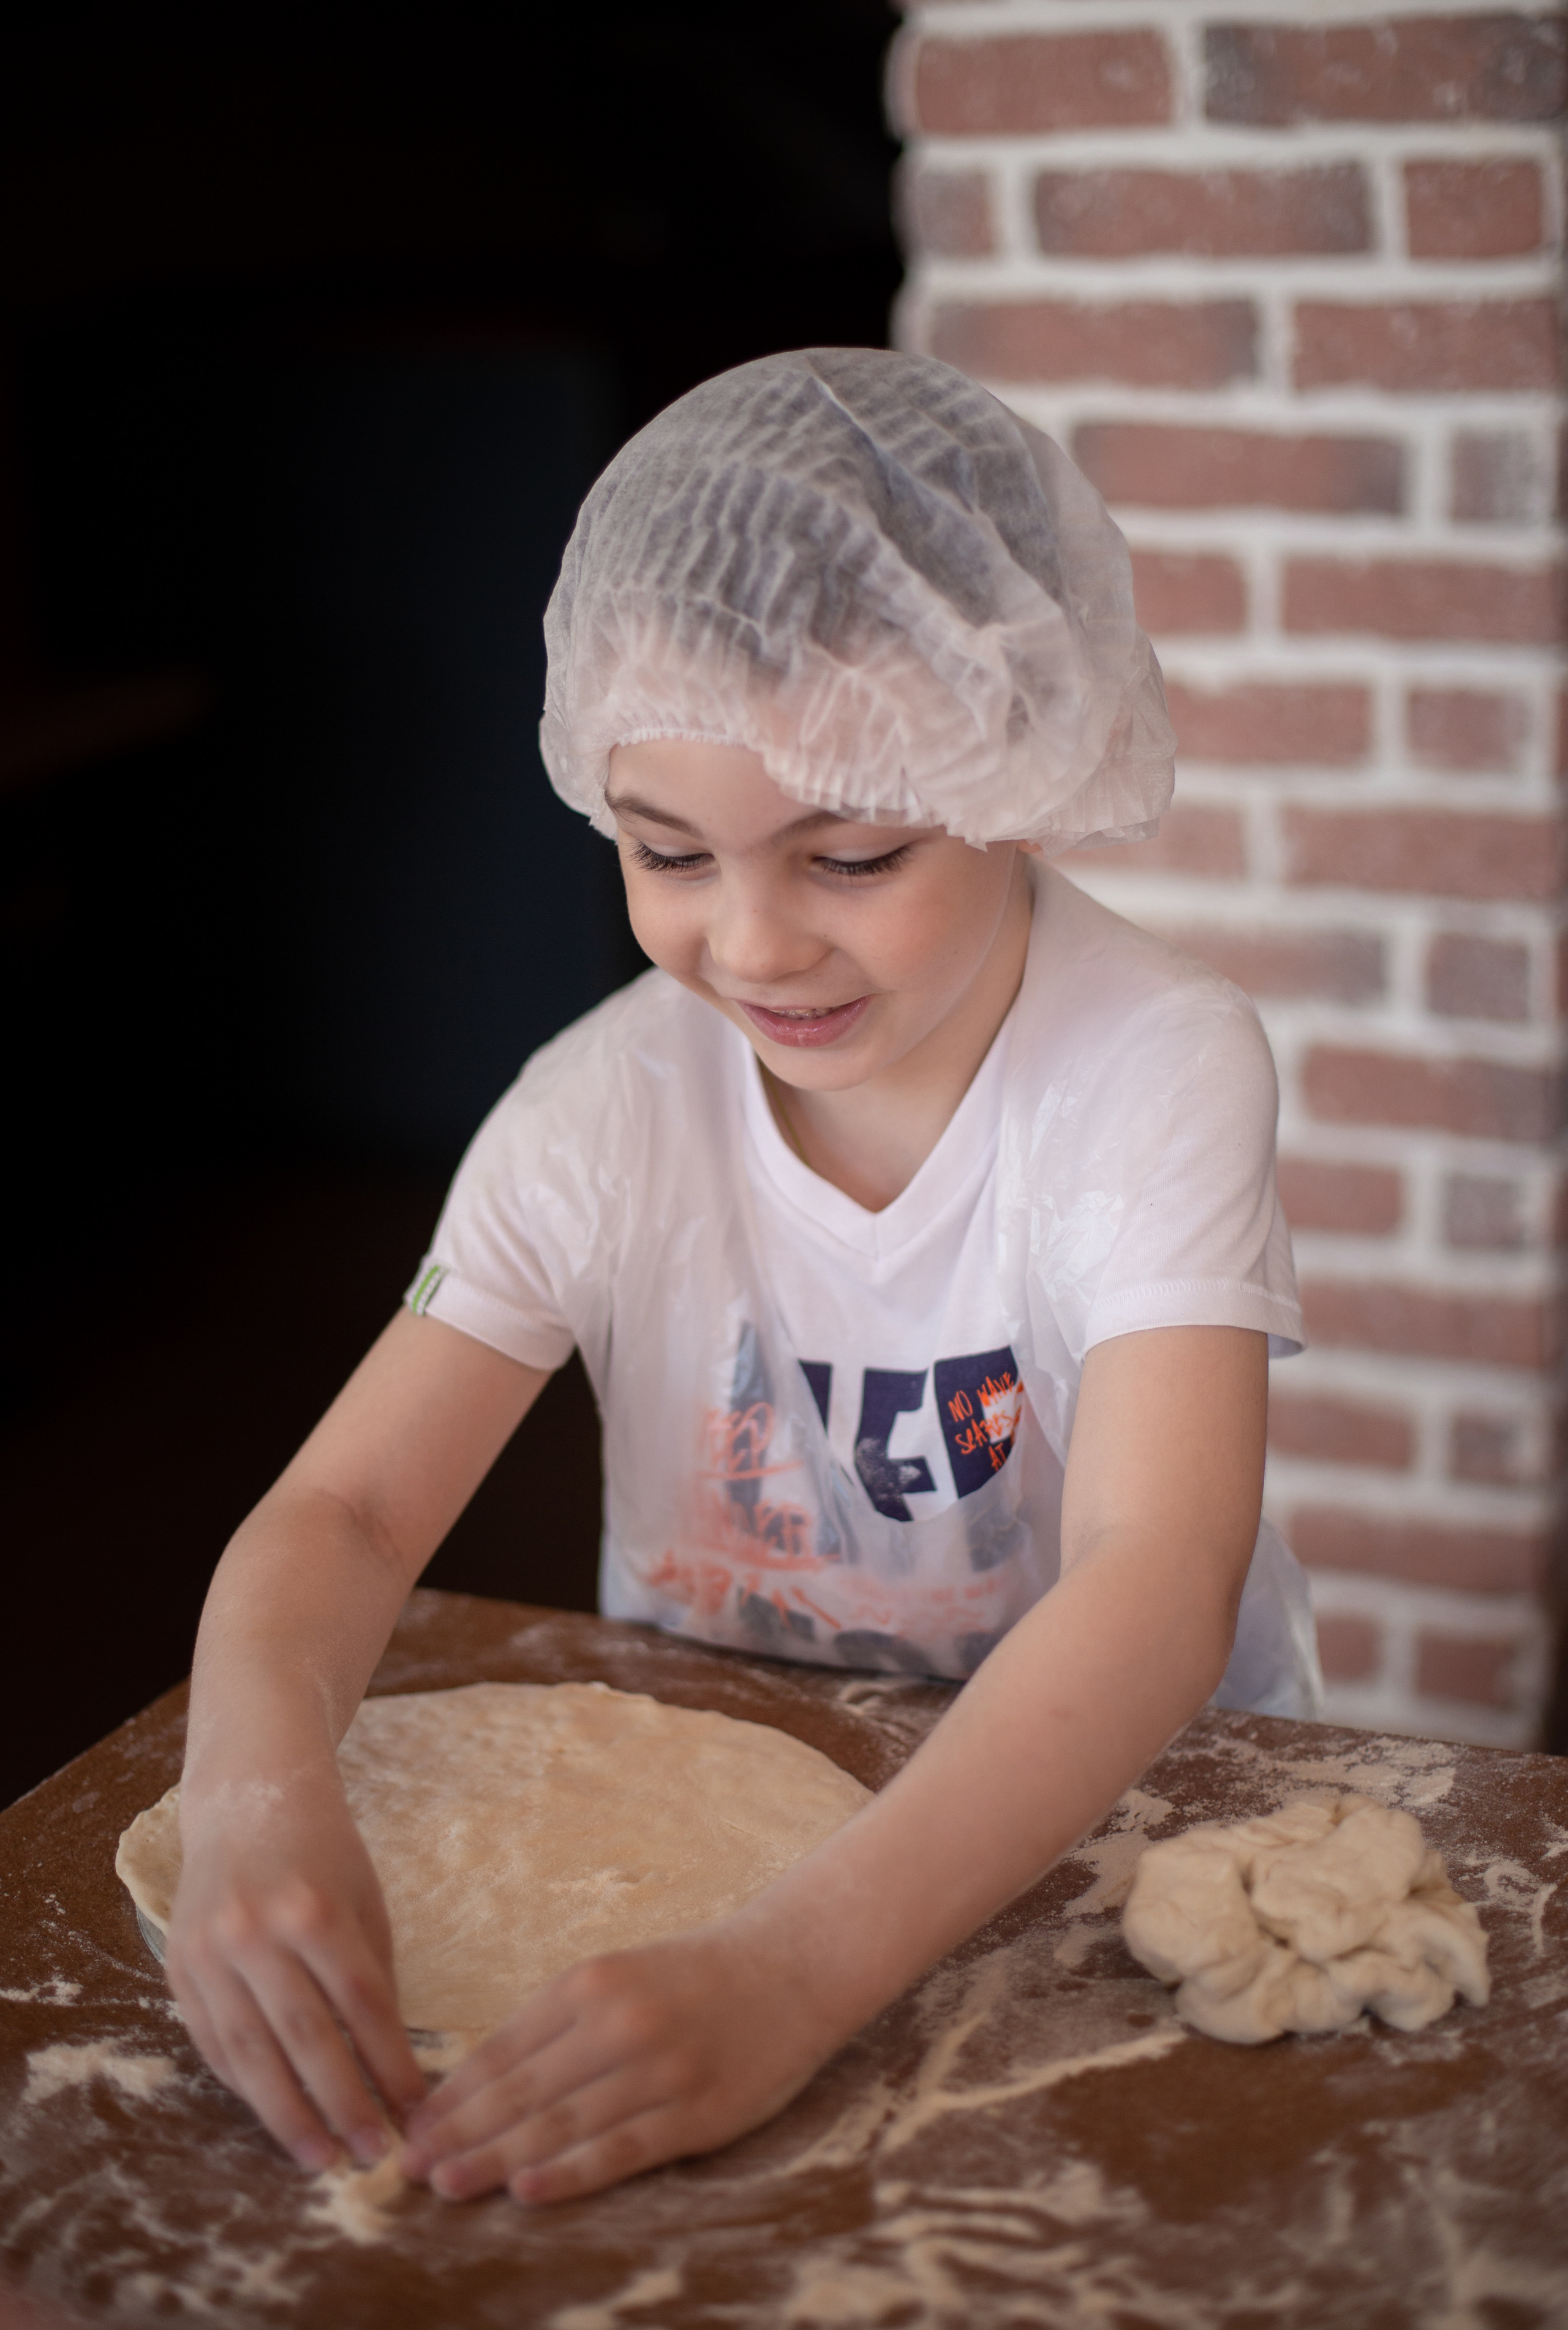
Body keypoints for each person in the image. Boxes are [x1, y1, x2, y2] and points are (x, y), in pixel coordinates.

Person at [166, 349, 1321, 2209]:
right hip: (713, 1834)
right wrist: (255, 1792)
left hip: (1115, 1846)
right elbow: (352, 1508)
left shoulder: (1159, 1066)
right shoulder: (601, 1109)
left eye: (853, 852)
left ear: (1018, 774)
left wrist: (791, 1976)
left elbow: (1155, 1581)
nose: (755, 938)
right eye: (666, 852)